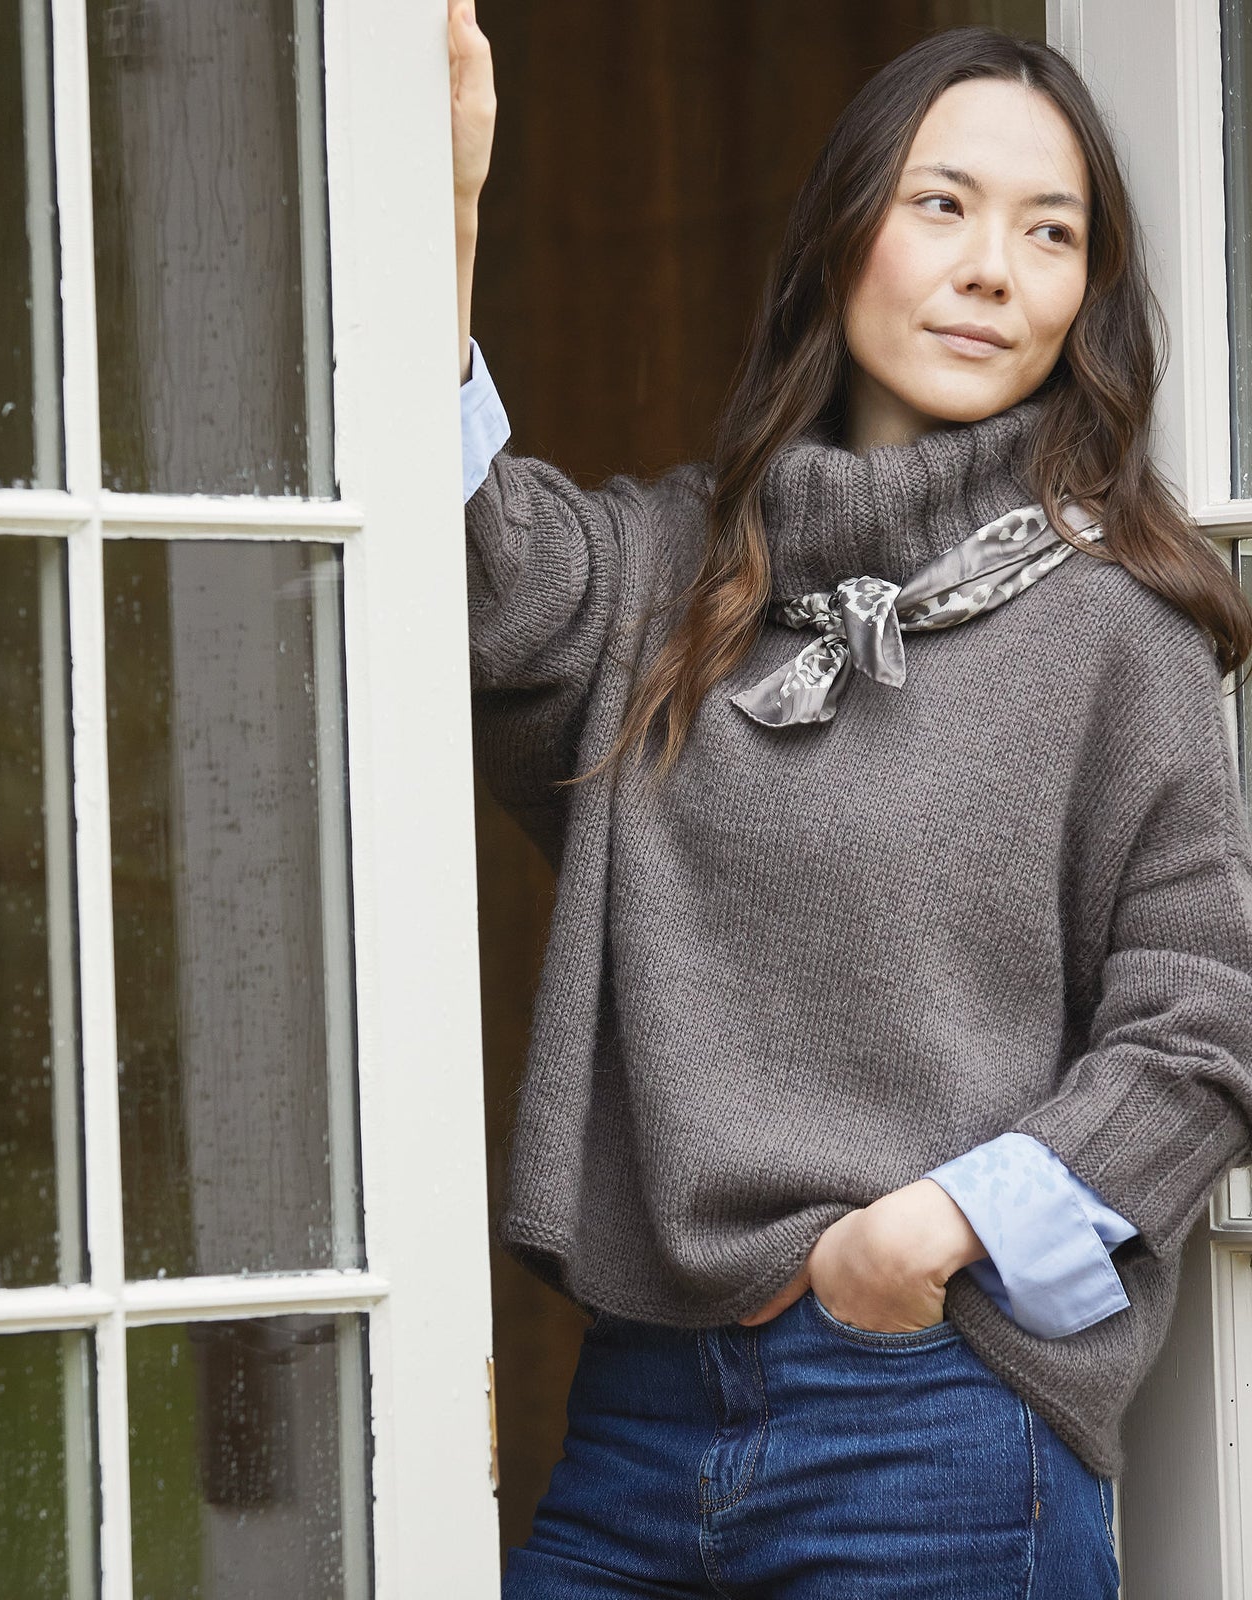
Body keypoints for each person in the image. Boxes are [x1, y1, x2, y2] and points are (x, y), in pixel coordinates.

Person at [449, 8, 1252, 1596]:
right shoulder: (668, 579)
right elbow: (456, 572)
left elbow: (1204, 1020)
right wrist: (452, 221)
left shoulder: (1115, 628)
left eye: (1051, 231)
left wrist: (930, 1241)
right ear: (839, 237)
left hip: (938, 1431)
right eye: (941, 204)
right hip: (639, 1418)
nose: (993, 267)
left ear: (1087, 295)